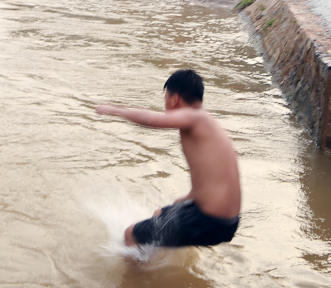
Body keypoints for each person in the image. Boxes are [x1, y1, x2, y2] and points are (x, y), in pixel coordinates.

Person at [96, 69, 241, 249]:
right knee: (160, 214)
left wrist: (114, 110)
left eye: (165, 98)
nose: (165, 105)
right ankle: (162, 266)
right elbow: (212, 174)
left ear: (175, 99)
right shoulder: (208, 123)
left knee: (130, 235)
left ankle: (140, 277)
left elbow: (149, 119)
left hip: (209, 220)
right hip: (225, 220)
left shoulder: (194, 117)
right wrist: (189, 197)